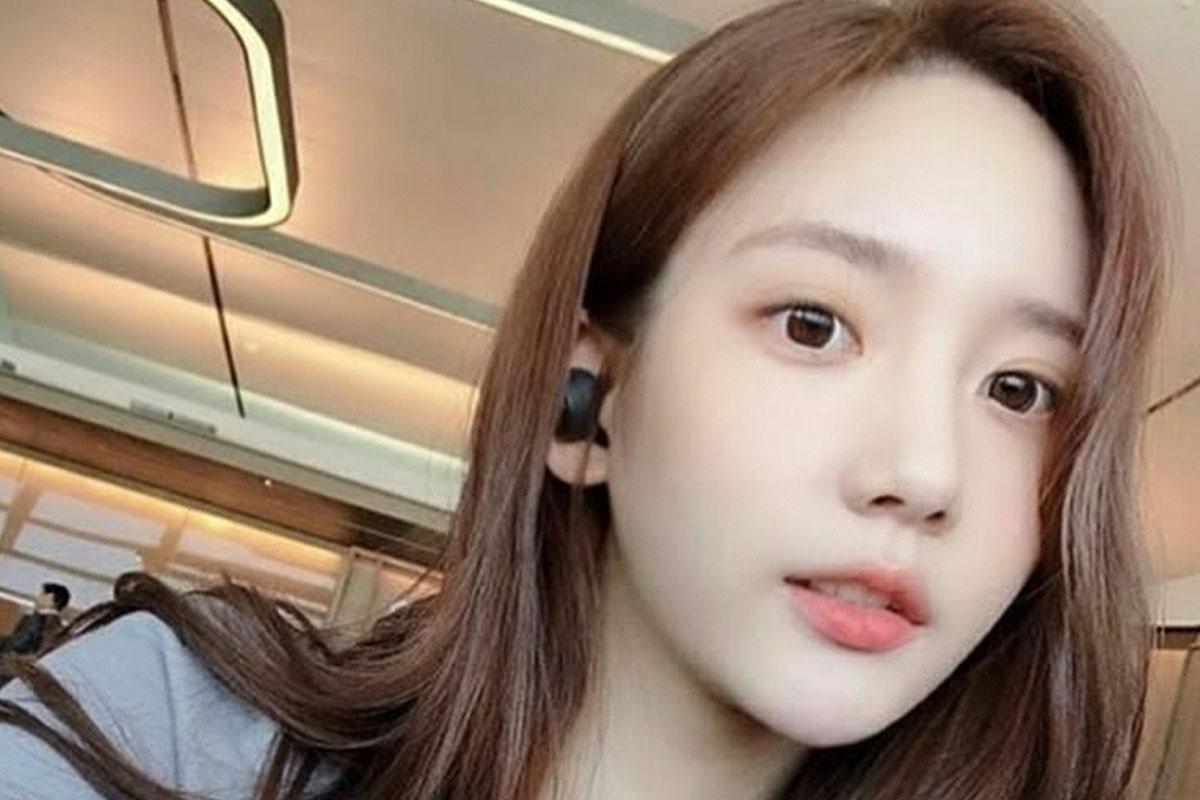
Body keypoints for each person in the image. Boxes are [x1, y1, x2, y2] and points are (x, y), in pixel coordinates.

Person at [0, 0, 1178, 798]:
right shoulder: (173, 736)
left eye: (1020, 387)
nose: (923, 472)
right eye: (813, 323)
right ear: (588, 397)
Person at [0, 583, 70, 657]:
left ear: (51, 598)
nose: (38, 596)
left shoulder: (37, 619)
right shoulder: (59, 626)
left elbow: (18, 643)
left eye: (43, 594)